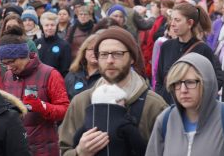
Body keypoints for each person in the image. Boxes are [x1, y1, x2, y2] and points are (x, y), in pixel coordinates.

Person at [59, 26, 168, 156]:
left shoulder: (154, 105)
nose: (110, 60)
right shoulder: (81, 102)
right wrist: (79, 152)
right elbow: (64, 150)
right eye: (104, 54)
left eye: (117, 54)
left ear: (132, 58)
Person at [146, 52, 224, 156]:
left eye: (190, 82)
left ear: (206, 83)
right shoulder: (165, 120)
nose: (183, 89)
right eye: (177, 83)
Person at [0, 26, 70, 156]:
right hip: (17, 148)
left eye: (12, 61)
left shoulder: (50, 74)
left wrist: (42, 106)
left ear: (23, 55)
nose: (9, 67)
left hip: (44, 150)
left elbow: (65, 110)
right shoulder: (8, 76)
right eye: (4, 63)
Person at [156, 2, 224, 104]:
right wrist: (161, 99)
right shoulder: (166, 46)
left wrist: (198, 99)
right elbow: (159, 80)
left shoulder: (203, 49)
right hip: (167, 108)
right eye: (171, 19)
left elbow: (216, 81)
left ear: (190, 23)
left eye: (177, 20)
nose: (172, 24)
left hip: (192, 111)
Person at [73, 84, 146, 156]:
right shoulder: (123, 124)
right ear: (115, 102)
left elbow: (76, 139)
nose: (125, 107)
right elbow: (140, 146)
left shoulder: (89, 122)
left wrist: (79, 150)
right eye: (123, 103)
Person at [64, 34, 101, 100]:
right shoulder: (73, 74)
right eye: (91, 49)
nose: (95, 53)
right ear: (84, 52)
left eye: (98, 49)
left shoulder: (107, 76)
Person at [36, 12, 72, 77]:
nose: (49, 28)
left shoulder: (64, 46)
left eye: (52, 25)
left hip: (55, 81)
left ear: (56, 26)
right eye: (46, 25)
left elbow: (65, 70)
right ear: (42, 26)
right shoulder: (37, 43)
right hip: (38, 80)